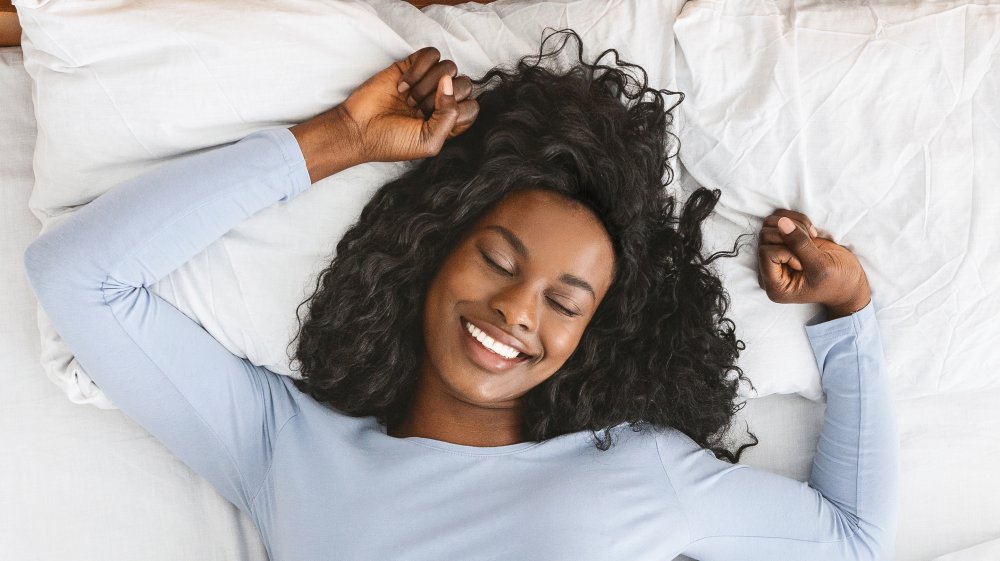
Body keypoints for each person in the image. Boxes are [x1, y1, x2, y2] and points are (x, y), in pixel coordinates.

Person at [24, 28, 897, 561]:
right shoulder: (286, 446)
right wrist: (340, 140)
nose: (518, 310)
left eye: (565, 300)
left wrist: (849, 314)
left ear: (592, 335)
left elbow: (851, 540)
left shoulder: (639, 468)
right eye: (498, 258)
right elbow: (79, 276)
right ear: (429, 257)